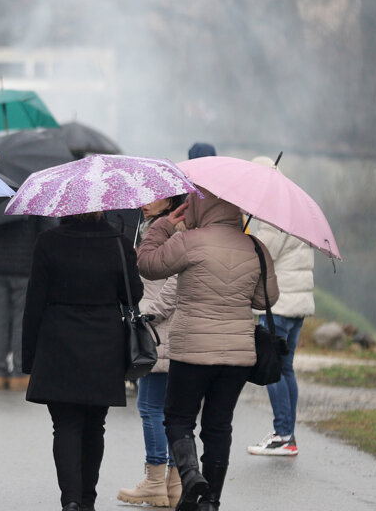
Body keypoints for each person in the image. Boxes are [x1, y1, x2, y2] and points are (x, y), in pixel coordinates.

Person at [138, 187, 278, 511]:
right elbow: (265, 299)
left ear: (202, 205)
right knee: (219, 426)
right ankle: (211, 501)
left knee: (178, 419)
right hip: (238, 354)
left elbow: (147, 264)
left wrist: (164, 226)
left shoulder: (190, 241)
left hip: (192, 350)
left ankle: (190, 476)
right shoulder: (255, 247)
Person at [22, 211, 142, 511]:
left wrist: (30, 357)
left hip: (58, 339)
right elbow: (133, 295)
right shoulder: (119, 242)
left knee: (65, 424)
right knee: (95, 425)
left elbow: (35, 299)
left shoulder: (48, 241)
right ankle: (87, 499)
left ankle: (71, 500)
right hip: (104, 341)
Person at [117, 195, 186, 509]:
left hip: (160, 329)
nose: (145, 202)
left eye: (153, 197)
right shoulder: (149, 230)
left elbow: (175, 283)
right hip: (160, 328)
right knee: (167, 410)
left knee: (150, 407)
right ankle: (173, 484)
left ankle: (156, 481)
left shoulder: (173, 231)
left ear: (170, 199)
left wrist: (148, 315)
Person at [246, 159, 314, 457]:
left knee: (273, 368)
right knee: (286, 368)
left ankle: (283, 434)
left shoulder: (274, 214)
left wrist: (246, 235)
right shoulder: (295, 208)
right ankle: (288, 433)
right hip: (296, 305)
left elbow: (263, 253)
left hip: (279, 305)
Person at [0, 216, 53, 391]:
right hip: (24, 264)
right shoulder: (30, 200)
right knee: (21, 321)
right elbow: (47, 229)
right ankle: (19, 374)